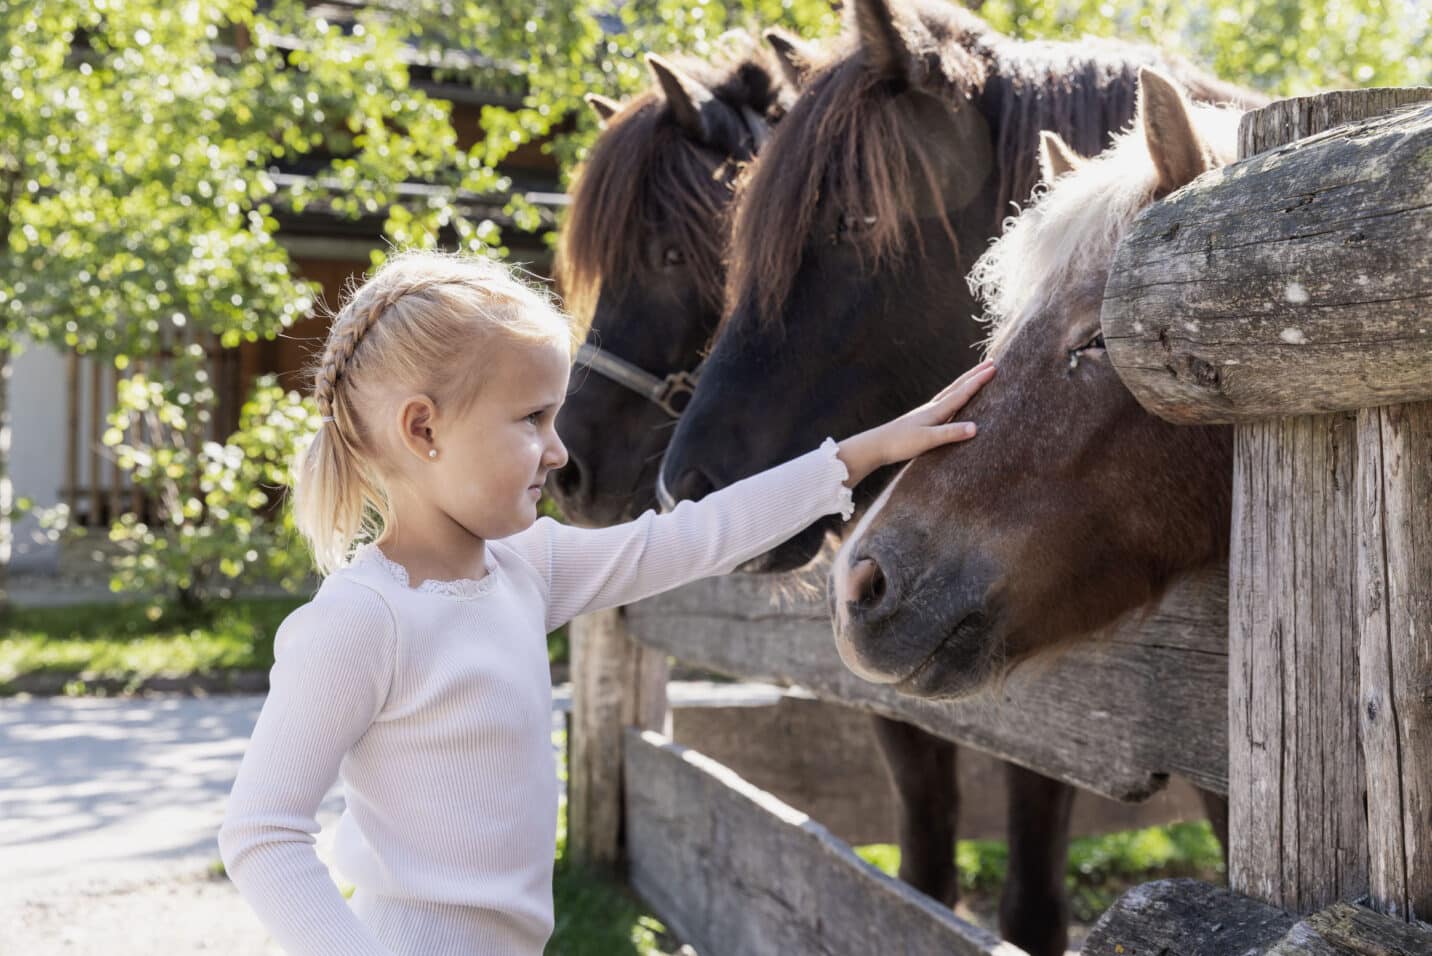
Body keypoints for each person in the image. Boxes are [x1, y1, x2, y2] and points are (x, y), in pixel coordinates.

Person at [217, 249, 995, 955]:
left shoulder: (528, 568)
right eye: (531, 420)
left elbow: (698, 536)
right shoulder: (361, 621)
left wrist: (862, 455)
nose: (557, 451)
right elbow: (261, 833)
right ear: (423, 428)